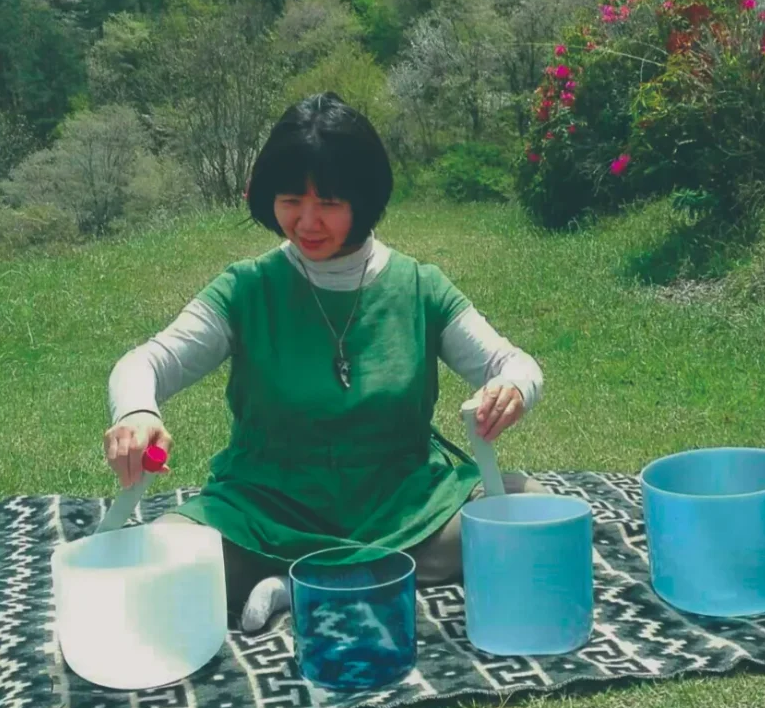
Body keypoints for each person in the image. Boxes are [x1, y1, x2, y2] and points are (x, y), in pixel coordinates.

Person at [104, 92, 546, 633]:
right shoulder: (247, 289)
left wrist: (512, 388)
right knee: (163, 555)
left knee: (531, 506)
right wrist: (136, 413)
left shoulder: (419, 287)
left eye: (330, 203)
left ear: (365, 199)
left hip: (403, 507)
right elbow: (145, 363)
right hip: (266, 512)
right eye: (291, 200)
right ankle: (360, 578)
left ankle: (300, 584)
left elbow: (513, 363)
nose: (307, 222)